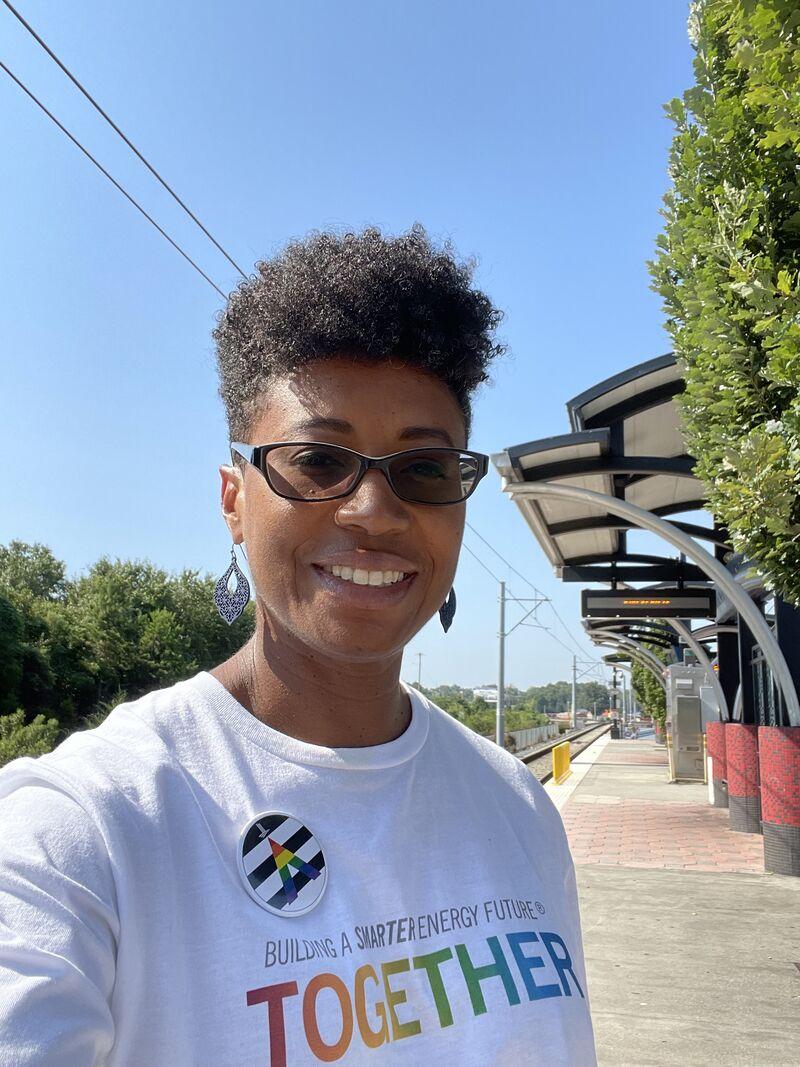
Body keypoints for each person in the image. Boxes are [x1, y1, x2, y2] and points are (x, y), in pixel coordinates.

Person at [0, 226, 596, 1065]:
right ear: (234, 500)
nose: (374, 511)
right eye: (318, 460)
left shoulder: (518, 808)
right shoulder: (84, 832)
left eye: (423, 469)